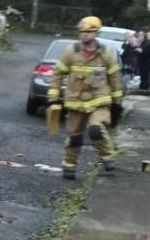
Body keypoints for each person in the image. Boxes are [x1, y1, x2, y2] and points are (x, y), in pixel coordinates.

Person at [47, 15, 124, 180]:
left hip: (99, 101)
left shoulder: (106, 54)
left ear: (96, 33)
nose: (84, 35)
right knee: (74, 137)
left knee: (96, 129)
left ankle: (108, 158)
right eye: (82, 32)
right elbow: (57, 74)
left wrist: (117, 103)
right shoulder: (71, 52)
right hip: (76, 103)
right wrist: (53, 98)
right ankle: (69, 166)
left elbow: (115, 79)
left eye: (88, 32)